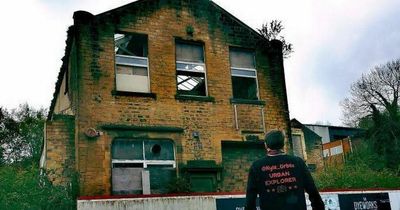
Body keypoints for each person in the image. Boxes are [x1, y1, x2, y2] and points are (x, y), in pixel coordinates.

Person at [245, 130, 324, 210]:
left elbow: (250, 200)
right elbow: (313, 192)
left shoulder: (257, 167)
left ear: (266, 145)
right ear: (283, 143)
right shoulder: (298, 162)